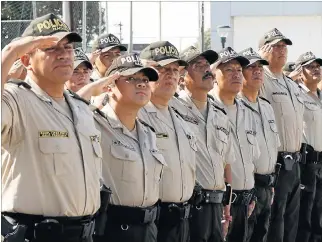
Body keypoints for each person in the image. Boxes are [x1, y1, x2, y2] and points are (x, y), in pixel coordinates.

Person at [1, 13, 101, 242]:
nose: (64, 54)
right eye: (50, 48)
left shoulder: (80, 108)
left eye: (68, 47)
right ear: (26, 60)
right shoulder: (16, 100)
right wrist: (9, 54)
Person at [77, 53, 166, 242]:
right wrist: (94, 87)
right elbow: (68, 112)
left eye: (144, 79)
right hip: (112, 229)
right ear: (110, 86)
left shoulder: (148, 133)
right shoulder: (94, 122)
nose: (141, 84)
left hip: (149, 229)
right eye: (131, 79)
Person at [138, 41, 196, 242]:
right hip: (154, 218)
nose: (170, 74)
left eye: (174, 69)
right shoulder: (136, 114)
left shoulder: (181, 116)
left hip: (184, 218)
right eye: (162, 69)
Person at [176, 45, 235, 242]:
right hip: (191, 206)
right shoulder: (174, 110)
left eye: (207, 65)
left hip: (217, 204)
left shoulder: (220, 114)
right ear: (182, 76)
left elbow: (226, 162)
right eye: (198, 65)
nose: (206, 69)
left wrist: (227, 204)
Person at [258, 28, 305, 242]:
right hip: (276, 162)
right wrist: (259, 59)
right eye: (275, 46)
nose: (281, 50)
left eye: (284, 46)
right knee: (275, 220)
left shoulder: (289, 83)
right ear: (263, 49)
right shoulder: (261, 79)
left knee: (291, 218)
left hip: (294, 161)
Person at [209, 47, 259, 242]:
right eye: (229, 70)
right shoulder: (207, 109)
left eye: (239, 70)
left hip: (247, 202)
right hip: (222, 205)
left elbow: (251, 159)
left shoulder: (247, 110)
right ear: (213, 74)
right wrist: (224, 205)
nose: (236, 74)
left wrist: (252, 194)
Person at [238, 47, 281, 242]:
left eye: (260, 67)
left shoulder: (266, 106)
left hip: (267, 185)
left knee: (261, 236)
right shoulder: (235, 107)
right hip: (249, 188)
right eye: (251, 67)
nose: (257, 71)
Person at [293, 52, 322, 242]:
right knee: (305, 214)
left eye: (318, 66)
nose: (316, 69)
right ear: (300, 71)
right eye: (310, 66)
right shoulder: (296, 95)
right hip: (306, 164)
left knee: (319, 214)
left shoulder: (320, 95)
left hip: (321, 164)